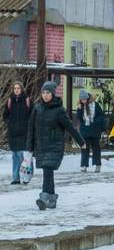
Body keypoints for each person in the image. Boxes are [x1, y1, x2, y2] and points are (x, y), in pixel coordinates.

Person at [26, 81, 85, 210]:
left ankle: (43, 197)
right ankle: (52, 199)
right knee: (48, 172)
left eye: (48, 93)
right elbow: (31, 129)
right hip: (41, 147)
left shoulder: (59, 111)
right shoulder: (37, 108)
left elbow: (70, 127)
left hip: (54, 146)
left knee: (47, 170)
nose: (46, 95)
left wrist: (81, 142)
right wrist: (29, 148)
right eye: (44, 93)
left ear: (53, 94)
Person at [4, 81, 31, 185]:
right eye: (15, 88)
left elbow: (31, 114)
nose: (16, 90)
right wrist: (9, 123)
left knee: (21, 155)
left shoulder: (27, 100)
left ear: (21, 89)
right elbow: (5, 115)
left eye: (18, 88)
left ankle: (23, 176)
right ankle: (15, 178)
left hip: (23, 132)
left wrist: (27, 125)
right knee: (15, 155)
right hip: (13, 133)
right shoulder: (10, 100)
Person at [76, 90, 105, 173]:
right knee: (84, 148)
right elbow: (80, 118)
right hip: (85, 130)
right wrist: (79, 110)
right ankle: (84, 165)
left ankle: (97, 165)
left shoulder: (95, 105)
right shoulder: (80, 106)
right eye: (82, 100)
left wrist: (96, 123)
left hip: (95, 130)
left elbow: (101, 115)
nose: (83, 101)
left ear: (88, 98)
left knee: (96, 148)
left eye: (85, 99)